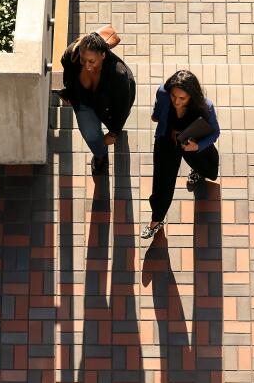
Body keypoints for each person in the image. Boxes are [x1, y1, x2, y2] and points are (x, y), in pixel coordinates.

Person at [142, 70, 221, 239]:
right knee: (162, 182)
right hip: (167, 141)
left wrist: (198, 146)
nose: (176, 102)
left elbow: (215, 133)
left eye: (182, 98)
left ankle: (198, 171)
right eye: (173, 97)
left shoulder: (205, 106)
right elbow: (157, 113)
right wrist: (158, 115)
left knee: (206, 166)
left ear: (192, 96)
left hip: (192, 142)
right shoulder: (163, 92)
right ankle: (156, 220)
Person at [59, 32, 137, 175]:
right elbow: (67, 71)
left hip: (110, 107)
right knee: (90, 135)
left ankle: (114, 135)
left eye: (92, 61)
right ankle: (101, 156)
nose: (87, 65)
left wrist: (114, 132)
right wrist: (68, 92)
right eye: (83, 60)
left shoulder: (119, 75)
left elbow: (123, 107)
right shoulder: (72, 53)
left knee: (113, 128)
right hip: (83, 102)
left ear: (103, 56)